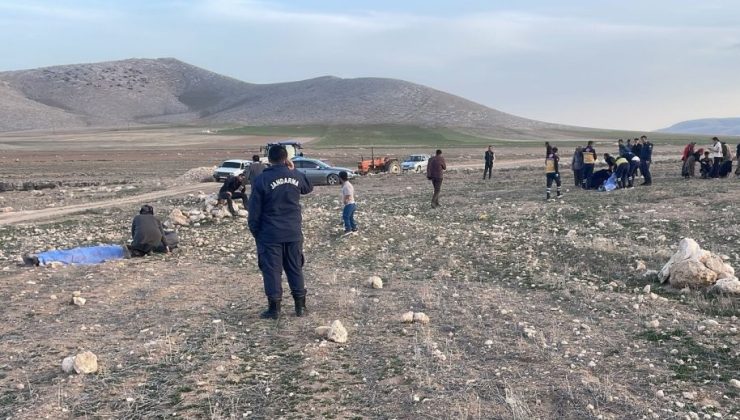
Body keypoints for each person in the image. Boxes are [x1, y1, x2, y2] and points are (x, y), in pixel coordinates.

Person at [248, 145, 313, 319]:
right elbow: (307, 187)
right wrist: (293, 170)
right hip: (293, 232)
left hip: (270, 234)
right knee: (295, 268)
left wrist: (256, 232)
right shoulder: (294, 175)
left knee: (272, 270)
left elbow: (254, 211)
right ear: (286, 159)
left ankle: (274, 309)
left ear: (269, 160)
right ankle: (300, 307)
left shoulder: (261, 180)